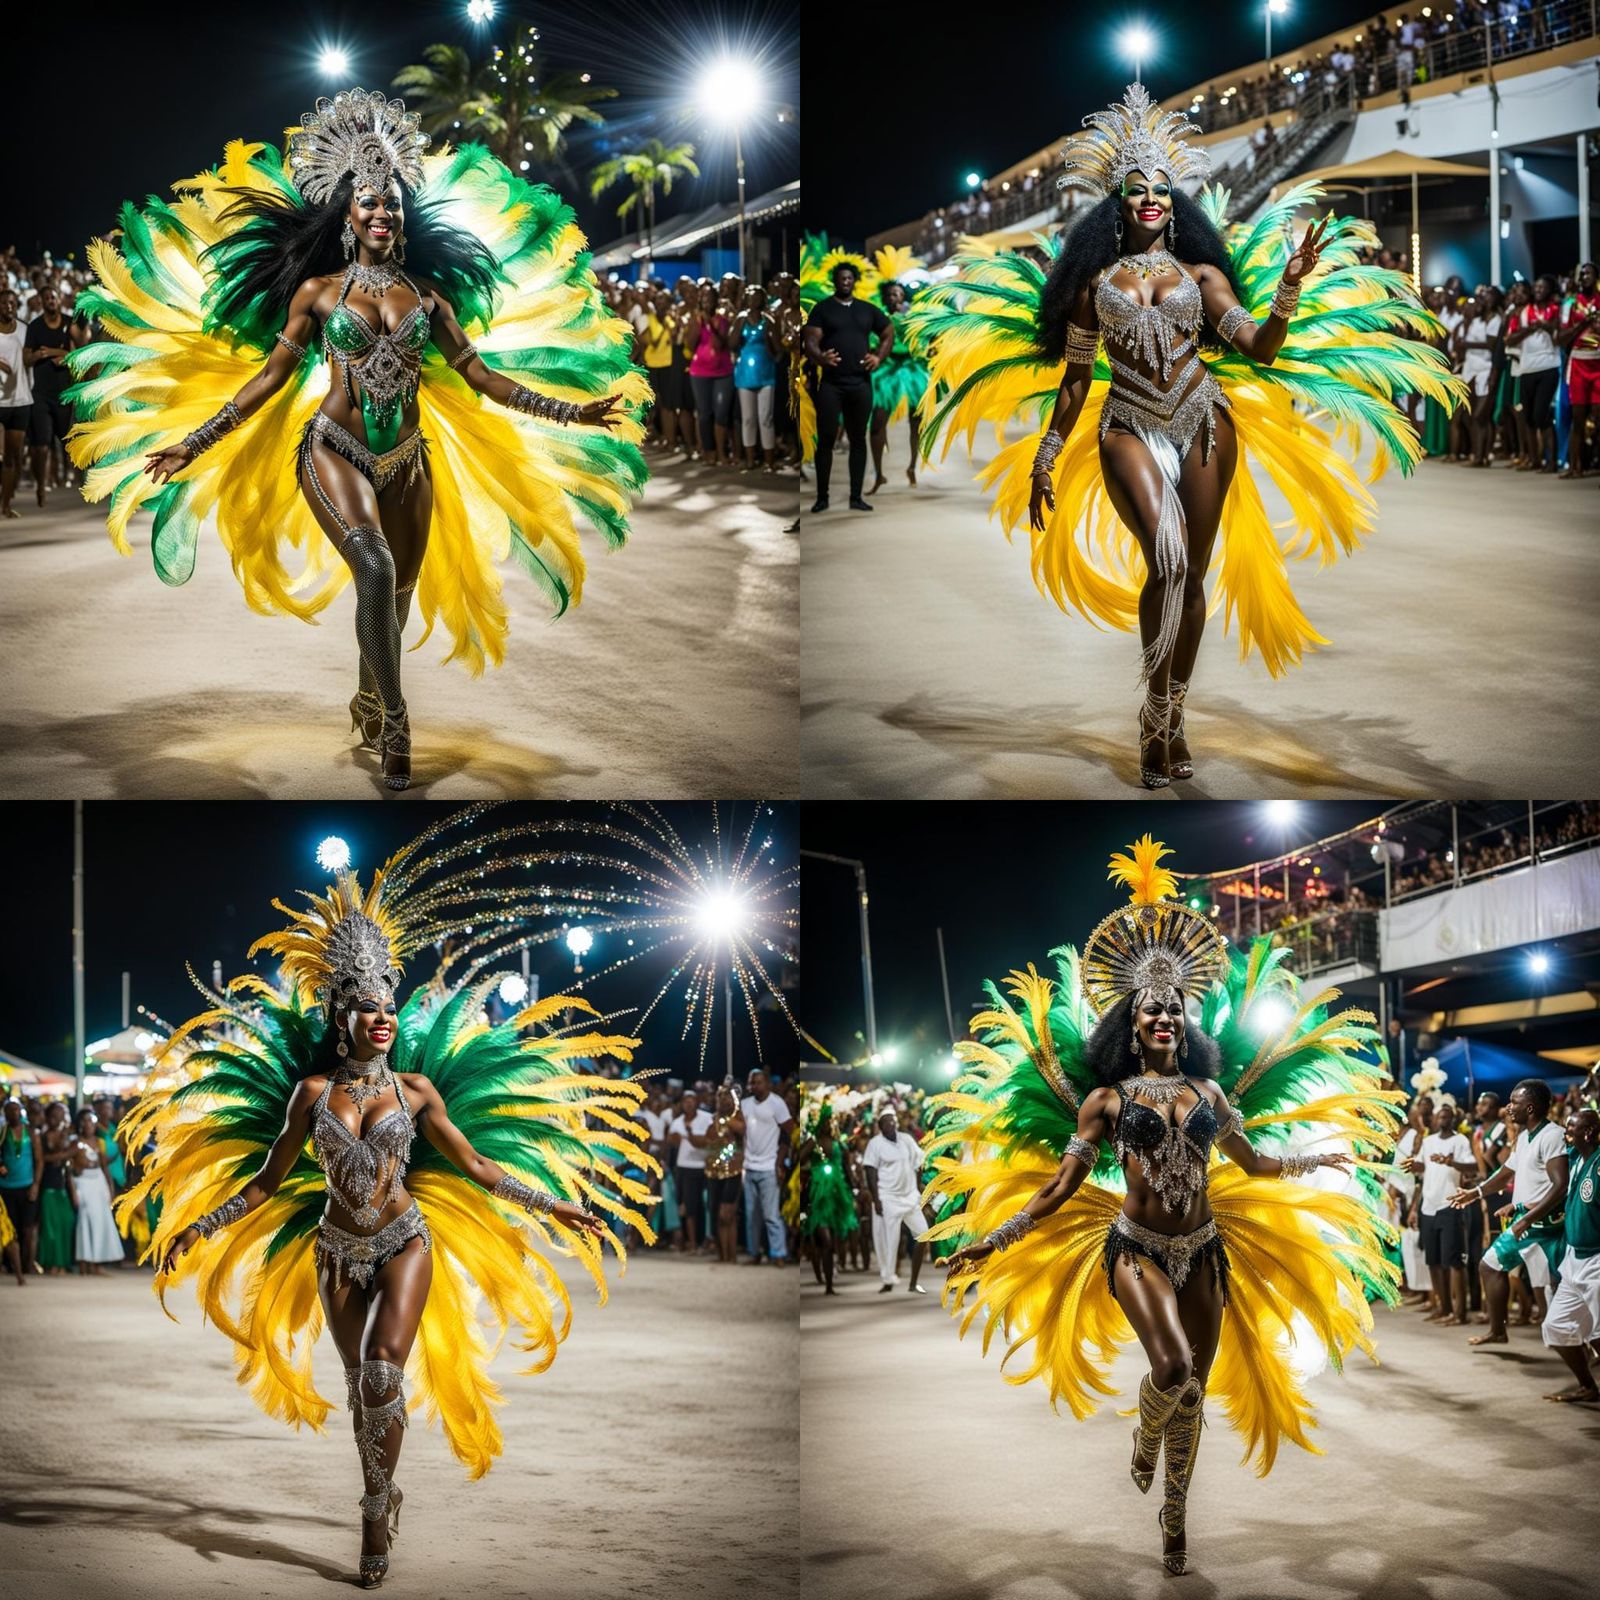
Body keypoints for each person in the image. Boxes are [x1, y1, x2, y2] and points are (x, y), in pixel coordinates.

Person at [67, 88, 643, 792]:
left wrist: (569, 414)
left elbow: (480, 376)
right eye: (369, 200)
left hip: (410, 461)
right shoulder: (316, 291)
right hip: (333, 449)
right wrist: (199, 440)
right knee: (372, 569)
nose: (381, 211)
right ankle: (397, 724)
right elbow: (272, 377)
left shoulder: (428, 295)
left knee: (395, 600)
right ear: (348, 213)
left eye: (391, 201)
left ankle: (370, 697)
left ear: (402, 217)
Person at [132, 826, 653, 1587]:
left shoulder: (417, 1091)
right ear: (342, 1015)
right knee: (360, 1394)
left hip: (405, 1239)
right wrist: (200, 1225)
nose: (384, 1019)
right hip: (335, 1250)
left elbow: (474, 1163)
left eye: (391, 1009)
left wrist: (555, 1206)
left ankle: (375, 1506)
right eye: (369, 1009)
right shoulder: (310, 1095)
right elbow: (268, 1182)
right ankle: (384, 1479)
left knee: (383, 1373)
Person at [907, 84, 1463, 788]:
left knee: (1192, 575)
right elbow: (1077, 381)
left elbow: (1259, 346)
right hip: (1126, 425)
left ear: (1176, 202)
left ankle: (1167, 715)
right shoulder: (1091, 284)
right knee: (1166, 557)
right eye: (1137, 190)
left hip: (1205, 420)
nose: (1150, 200)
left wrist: (1289, 287)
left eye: (1161, 191)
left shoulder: (1202, 276)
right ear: (1120, 201)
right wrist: (1046, 456)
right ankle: (1152, 716)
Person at [934, 835, 1397, 1577]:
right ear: (1130, 1021)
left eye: (1176, 1009)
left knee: (1196, 1389)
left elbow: (1254, 1162)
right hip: (1135, 1250)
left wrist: (1318, 1158)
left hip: (1207, 1247)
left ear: (1188, 1021)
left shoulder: (1211, 1095)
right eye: (1152, 1009)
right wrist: (996, 1240)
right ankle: (1146, 1439)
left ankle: (1173, 1516)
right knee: (1173, 1364)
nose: (1165, 1018)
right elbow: (1061, 1188)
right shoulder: (1105, 1101)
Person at [1450, 1078, 1568, 1347]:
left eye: (1514, 1102)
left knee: (1553, 1288)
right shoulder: (1526, 1136)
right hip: (1525, 1222)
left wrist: (1527, 1216)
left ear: (1530, 1108)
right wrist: (1475, 1193)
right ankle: (1498, 1330)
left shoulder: (1552, 1136)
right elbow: (1504, 1174)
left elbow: (1561, 1186)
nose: (1508, 1107)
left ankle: (1576, 1347)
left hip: (1545, 1226)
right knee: (1491, 1265)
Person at [804, 261, 895, 513]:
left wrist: (879, 356)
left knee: (858, 439)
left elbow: (888, 331)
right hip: (832, 385)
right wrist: (820, 357)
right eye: (841, 278)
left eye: (849, 278)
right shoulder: (823, 309)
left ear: (854, 281)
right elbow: (810, 338)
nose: (845, 281)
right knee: (825, 440)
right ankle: (822, 497)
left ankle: (856, 497)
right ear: (835, 281)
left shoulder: (867, 310)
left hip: (860, 384)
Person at [1539, 1107, 1600, 1401]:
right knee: (1557, 1327)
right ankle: (1588, 1386)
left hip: (1598, 1260)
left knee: (1599, 1335)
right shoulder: (1576, 1160)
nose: (1566, 1133)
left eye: (1571, 1128)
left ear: (1588, 1132)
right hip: (1575, 1259)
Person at [1408, 1099, 1477, 1324]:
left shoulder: (1460, 1141)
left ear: (1453, 1119)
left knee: (1454, 1262)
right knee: (1434, 1262)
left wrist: (1451, 1162)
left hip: (1449, 1205)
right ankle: (1443, 1307)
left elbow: (1472, 1167)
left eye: (1447, 1116)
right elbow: (1422, 1166)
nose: (1442, 1119)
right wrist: (1413, 1165)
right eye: (1440, 1116)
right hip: (1428, 1205)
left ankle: (1459, 1313)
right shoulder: (1428, 1142)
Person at [868, 279, 929, 493]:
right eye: (893, 295)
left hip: (912, 369)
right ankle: (878, 473)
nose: (897, 298)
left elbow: (922, 341)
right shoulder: (877, 317)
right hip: (887, 369)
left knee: (916, 421)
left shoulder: (911, 316)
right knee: (878, 422)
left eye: (900, 295)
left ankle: (912, 466)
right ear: (885, 298)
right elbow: (873, 343)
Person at [862, 1106, 931, 1295]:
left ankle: (913, 1282)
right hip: (887, 1197)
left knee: (923, 1234)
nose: (891, 1124)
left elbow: (919, 1163)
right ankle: (887, 1279)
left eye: (893, 1120)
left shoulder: (907, 1140)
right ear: (880, 1126)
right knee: (888, 1241)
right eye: (887, 1121)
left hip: (909, 1196)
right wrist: (876, 1199)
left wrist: (917, 1189)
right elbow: (870, 1171)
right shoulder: (875, 1144)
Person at [23, 282, 75, 506]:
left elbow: (75, 352)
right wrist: (37, 356)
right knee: (41, 444)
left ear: (58, 300)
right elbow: (26, 358)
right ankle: (41, 485)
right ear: (42, 302)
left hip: (63, 392)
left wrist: (50, 351)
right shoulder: (34, 327)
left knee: (65, 439)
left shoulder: (67, 322)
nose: (51, 302)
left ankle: (68, 477)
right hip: (40, 394)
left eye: (54, 298)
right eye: (47, 299)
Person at [799, 1103, 858, 1294]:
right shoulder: (813, 1143)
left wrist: (857, 1189)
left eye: (830, 1121)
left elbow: (848, 1171)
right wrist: (811, 1171)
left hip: (837, 1196)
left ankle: (830, 1284)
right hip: (817, 1196)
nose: (828, 1125)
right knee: (824, 1240)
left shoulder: (839, 1145)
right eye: (825, 1121)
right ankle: (824, 1279)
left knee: (833, 1242)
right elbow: (799, 1159)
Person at [737, 1069, 791, 1265]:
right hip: (749, 1166)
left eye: (758, 1082)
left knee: (771, 1215)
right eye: (751, 1083)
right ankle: (754, 1253)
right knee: (752, 1215)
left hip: (769, 1166)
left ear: (767, 1083)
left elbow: (788, 1134)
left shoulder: (777, 1104)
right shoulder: (744, 1104)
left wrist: (780, 1162)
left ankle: (778, 1253)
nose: (754, 1086)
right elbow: (740, 1134)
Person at [1507, 275, 1561, 472]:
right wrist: (1528, 330)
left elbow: (1559, 337)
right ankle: (1534, 459)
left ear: (1550, 290)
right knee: (1527, 417)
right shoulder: (1523, 312)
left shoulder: (1555, 309)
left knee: (1541, 415)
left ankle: (1552, 461)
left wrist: (1547, 326)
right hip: (1527, 368)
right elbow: (1510, 340)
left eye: (1542, 287)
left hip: (1548, 366)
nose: (1538, 290)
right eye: (1536, 287)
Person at [686, 278, 735, 467]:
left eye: (710, 297)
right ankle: (709, 451)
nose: (706, 301)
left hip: (723, 372)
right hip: (700, 372)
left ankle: (722, 452)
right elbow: (690, 345)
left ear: (716, 300)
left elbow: (722, 343)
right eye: (703, 298)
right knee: (705, 413)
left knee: (721, 413)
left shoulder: (722, 320)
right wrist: (698, 325)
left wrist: (712, 325)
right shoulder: (695, 319)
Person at [1556, 261, 1599, 477]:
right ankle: (1575, 467)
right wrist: (1583, 325)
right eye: (1581, 274)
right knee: (1578, 418)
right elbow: (1561, 338)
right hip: (1579, 362)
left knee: (1597, 418)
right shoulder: (1570, 304)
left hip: (1598, 362)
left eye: (1588, 273)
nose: (1584, 277)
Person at [732, 284, 781, 472]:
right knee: (748, 418)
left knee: (766, 417)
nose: (754, 300)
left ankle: (769, 461)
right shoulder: (740, 319)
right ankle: (750, 459)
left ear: (763, 299)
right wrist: (739, 321)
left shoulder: (769, 319)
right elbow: (732, 343)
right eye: (750, 297)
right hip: (745, 373)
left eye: (757, 297)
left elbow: (778, 347)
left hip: (766, 372)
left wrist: (772, 352)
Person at [1455, 284, 1504, 466]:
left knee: (1480, 416)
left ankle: (1481, 456)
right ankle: (1479, 454)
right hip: (1470, 368)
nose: (1484, 300)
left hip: (1486, 368)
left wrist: (1466, 344)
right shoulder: (1476, 321)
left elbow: (1491, 345)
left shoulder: (1495, 320)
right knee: (1470, 416)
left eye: (1488, 297)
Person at [69, 1108, 123, 1274]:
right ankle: (85, 1263)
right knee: (85, 1221)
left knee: (101, 1222)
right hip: (83, 1183)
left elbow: (105, 1166)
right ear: (80, 1124)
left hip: (99, 1182)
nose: (89, 1124)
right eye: (85, 1120)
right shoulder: (75, 1142)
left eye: (91, 1120)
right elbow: (69, 1169)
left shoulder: (99, 1142)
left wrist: (110, 1189)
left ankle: (97, 1264)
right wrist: (73, 1193)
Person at [0, 1096, 41, 1277]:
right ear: (5, 1114)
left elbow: (39, 1160)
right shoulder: (2, 1132)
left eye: (15, 1110)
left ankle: (27, 1263)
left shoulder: (30, 1132)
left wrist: (35, 1185)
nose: (13, 1113)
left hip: (27, 1186)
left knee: (28, 1229)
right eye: (9, 1110)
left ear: (20, 1111)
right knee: (12, 1229)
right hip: (7, 1186)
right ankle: (11, 1266)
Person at [704, 1081, 744, 1265]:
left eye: (726, 1096)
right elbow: (709, 1139)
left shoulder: (737, 1115)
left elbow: (741, 1129)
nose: (722, 1100)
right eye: (719, 1096)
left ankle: (732, 1256)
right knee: (716, 1215)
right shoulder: (712, 1118)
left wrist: (726, 1119)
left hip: (733, 1170)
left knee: (727, 1215)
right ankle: (723, 1256)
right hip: (713, 1171)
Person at [668, 1088, 712, 1254]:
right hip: (685, 1167)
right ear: (681, 1104)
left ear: (697, 1101)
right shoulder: (677, 1122)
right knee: (688, 1207)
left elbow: (711, 1139)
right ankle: (692, 1244)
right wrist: (673, 1139)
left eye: (692, 1100)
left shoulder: (707, 1118)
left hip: (705, 1166)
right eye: (686, 1100)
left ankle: (708, 1241)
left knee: (707, 1206)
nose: (689, 1103)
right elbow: (671, 1141)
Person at [0, 287, 31, 519]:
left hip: (20, 400)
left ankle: (6, 505)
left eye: (12, 303)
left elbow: (29, 360)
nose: (8, 307)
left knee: (12, 457)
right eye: (4, 303)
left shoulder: (24, 330)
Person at [37, 1101, 76, 1274]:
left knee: (65, 1224)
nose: (57, 1118)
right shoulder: (43, 1135)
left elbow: (67, 1165)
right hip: (47, 1187)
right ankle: (51, 1264)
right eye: (54, 1115)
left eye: (60, 1114)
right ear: (48, 1116)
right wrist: (65, 1153)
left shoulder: (66, 1135)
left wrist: (73, 1191)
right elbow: (44, 1158)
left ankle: (62, 1263)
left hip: (62, 1188)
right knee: (50, 1229)